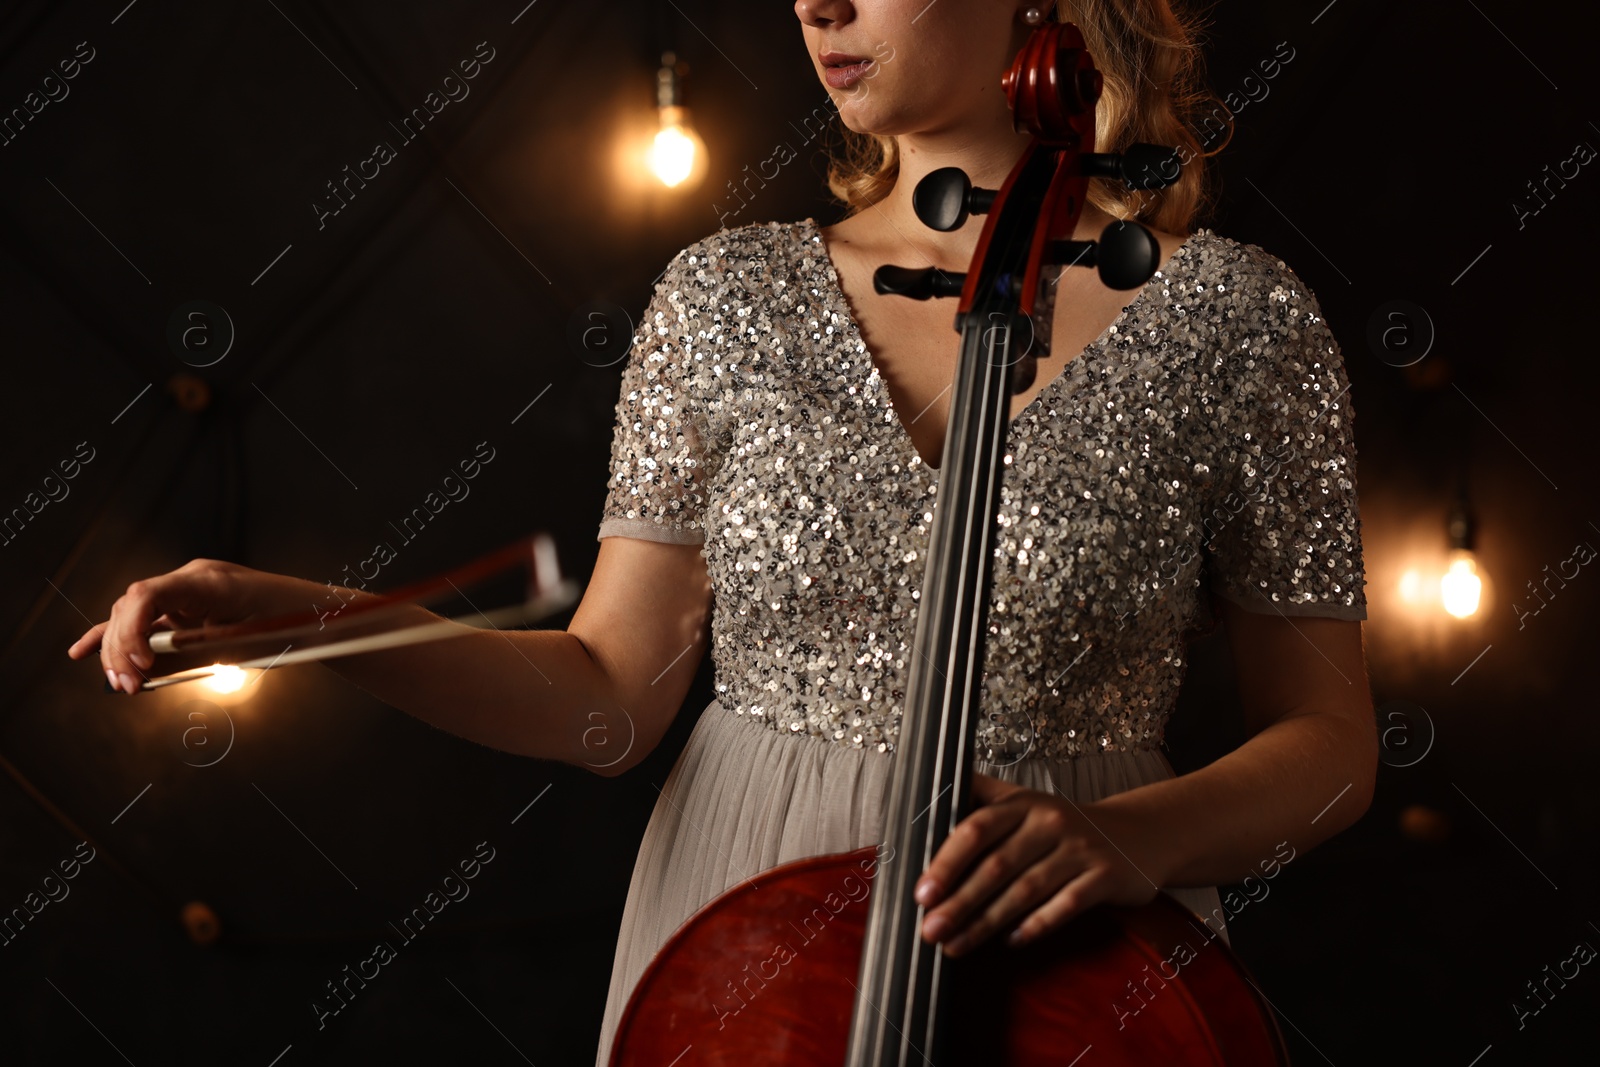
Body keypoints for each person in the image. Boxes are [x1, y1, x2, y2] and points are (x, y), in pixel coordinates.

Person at [70, 1, 1378, 1062]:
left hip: (1082, 945)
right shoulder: (726, 300)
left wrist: (1136, 839)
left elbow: (1331, 747)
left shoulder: (1240, 325)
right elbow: (607, 696)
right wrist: (311, 620)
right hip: (748, 919)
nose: (821, 3)